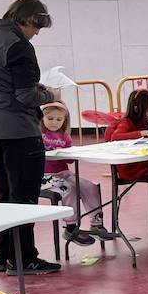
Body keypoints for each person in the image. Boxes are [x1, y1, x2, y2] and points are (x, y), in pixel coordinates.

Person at [0, 0, 61, 275]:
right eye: (37, 27)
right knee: (24, 197)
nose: (37, 34)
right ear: (28, 19)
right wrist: (49, 94)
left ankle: (4, 255)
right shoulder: (19, 45)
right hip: (18, 128)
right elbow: (25, 95)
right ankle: (24, 258)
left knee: (5, 193)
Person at [40, 101, 109, 246]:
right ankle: (71, 227)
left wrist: (68, 153)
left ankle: (96, 223)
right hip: (44, 176)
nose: (54, 123)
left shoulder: (65, 136)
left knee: (89, 186)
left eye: (59, 119)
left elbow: (71, 160)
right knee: (69, 189)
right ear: (42, 118)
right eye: (50, 119)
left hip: (64, 173)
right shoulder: (39, 135)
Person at [105, 89, 148, 183]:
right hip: (130, 167)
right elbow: (115, 137)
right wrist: (140, 133)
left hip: (138, 162)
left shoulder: (145, 122)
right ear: (136, 109)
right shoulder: (126, 122)